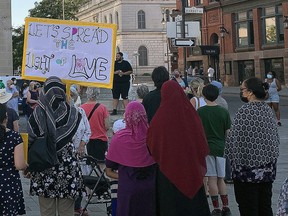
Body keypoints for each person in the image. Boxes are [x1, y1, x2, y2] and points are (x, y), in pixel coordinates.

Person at [147, 80, 210, 216]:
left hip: (167, 170)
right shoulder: (191, 115)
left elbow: (152, 143)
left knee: (170, 205)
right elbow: (201, 142)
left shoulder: (159, 118)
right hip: (190, 167)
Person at [27, 76, 84, 216]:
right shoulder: (73, 113)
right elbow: (78, 138)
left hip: (44, 165)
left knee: (47, 210)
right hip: (67, 167)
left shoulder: (38, 112)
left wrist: (28, 164)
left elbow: (31, 138)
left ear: (46, 91)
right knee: (66, 211)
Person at [225, 77, 280, 216]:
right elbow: (274, 140)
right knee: (265, 206)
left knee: (248, 208)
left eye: (242, 89)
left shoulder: (245, 111)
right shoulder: (268, 111)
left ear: (250, 92)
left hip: (246, 173)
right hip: (267, 171)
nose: (241, 92)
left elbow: (235, 141)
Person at [106, 101, 156, 216]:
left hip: (128, 189)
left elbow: (109, 171)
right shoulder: (153, 137)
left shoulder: (119, 138)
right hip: (151, 190)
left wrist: (125, 176)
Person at [197, 84, 232, 216]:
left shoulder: (200, 112)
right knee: (221, 178)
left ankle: (216, 207)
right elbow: (228, 132)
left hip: (207, 149)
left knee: (211, 178)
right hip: (221, 147)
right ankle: (226, 206)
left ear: (204, 96)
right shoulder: (223, 111)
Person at [0, 103, 27, 215]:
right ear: (5, 118)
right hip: (8, 182)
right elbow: (19, 165)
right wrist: (26, 166)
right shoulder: (14, 137)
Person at [70, 87, 91, 216]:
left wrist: (82, 144)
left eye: (71, 95)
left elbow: (88, 130)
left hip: (81, 152)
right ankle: (69, 207)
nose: (69, 97)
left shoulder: (81, 111)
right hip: (68, 154)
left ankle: (78, 206)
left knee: (81, 180)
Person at [81, 87, 109, 161]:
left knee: (88, 163)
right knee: (100, 163)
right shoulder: (103, 108)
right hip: (100, 138)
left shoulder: (81, 108)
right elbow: (107, 126)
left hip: (86, 139)